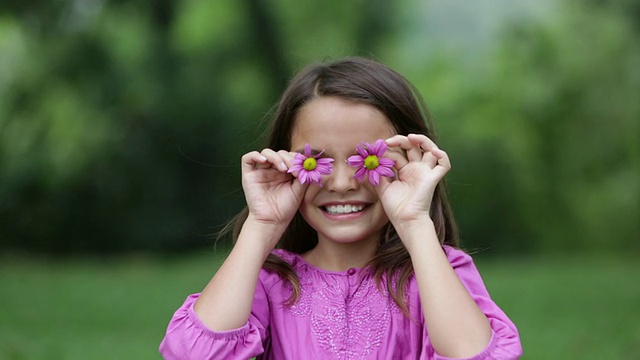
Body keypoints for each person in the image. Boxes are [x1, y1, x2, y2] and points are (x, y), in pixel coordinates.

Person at [159, 57, 523, 359]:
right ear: (286, 165)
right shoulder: (269, 281)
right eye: (315, 162)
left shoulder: (438, 272)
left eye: (366, 159)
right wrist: (262, 224)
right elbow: (193, 354)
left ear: (409, 160)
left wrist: (415, 222)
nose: (342, 182)